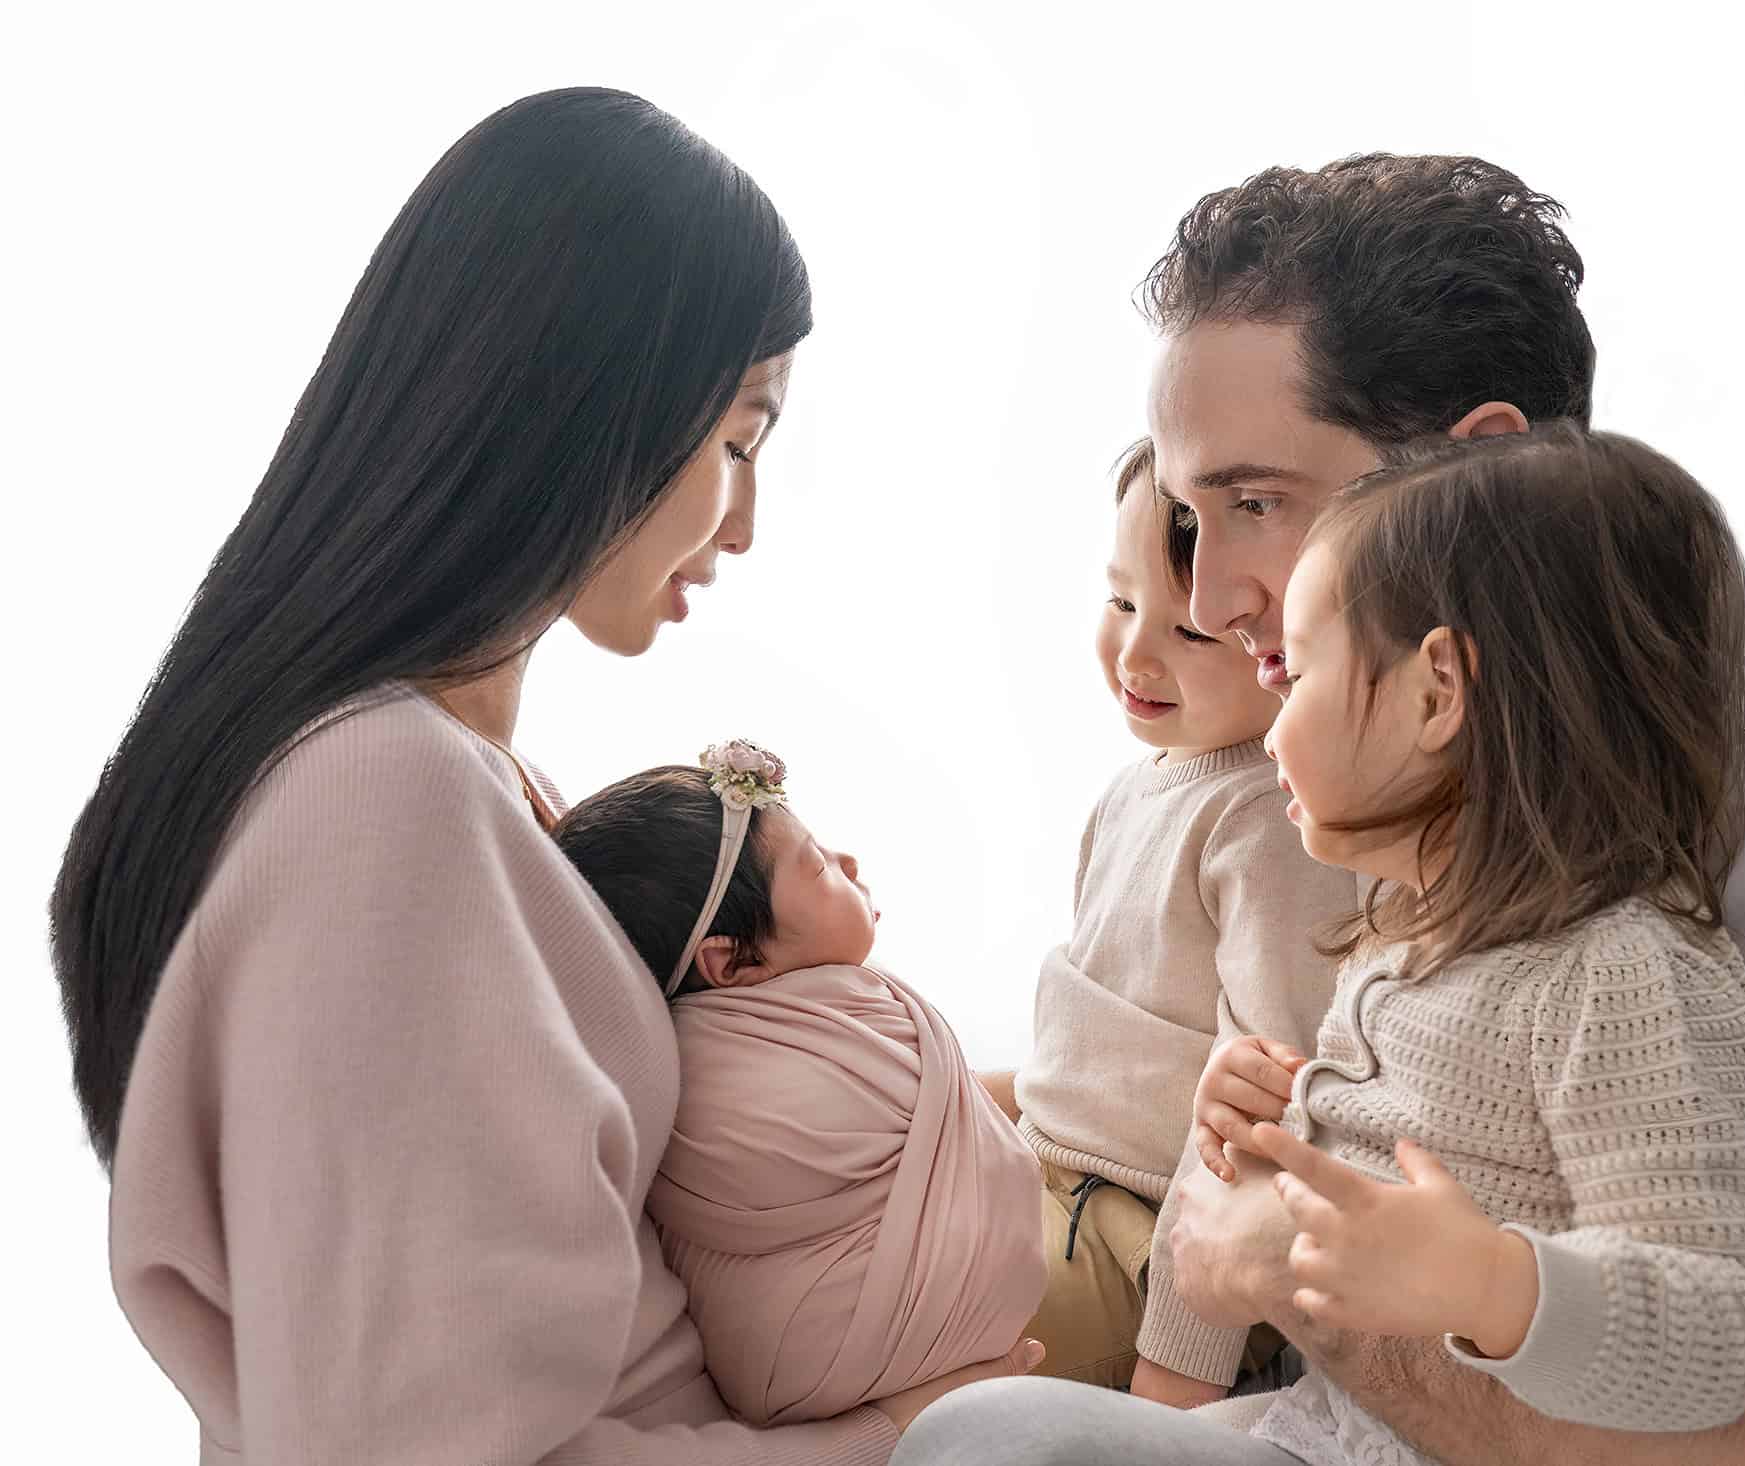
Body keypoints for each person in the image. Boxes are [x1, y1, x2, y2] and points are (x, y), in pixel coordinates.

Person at [894, 155, 1745, 1466]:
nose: (1209, 599)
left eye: (1257, 504)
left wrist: (1321, 1273)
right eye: (1192, 520)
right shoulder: (1363, 821)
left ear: (1490, 466)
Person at [50, 88, 1031, 1466]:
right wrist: (905, 1432)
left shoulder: (471, 787)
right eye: (739, 438)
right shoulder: (380, 803)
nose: (742, 521)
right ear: (583, 401)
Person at [1199, 423, 1745, 1463]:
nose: (1269, 709)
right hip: (1322, 1423)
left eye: (1295, 675)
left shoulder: (1618, 971)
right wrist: (1264, 1117)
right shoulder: (1403, 937)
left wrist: (1495, 1284)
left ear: (1437, 690)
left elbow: (1727, 1324)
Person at [987, 440, 1351, 1399]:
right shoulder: (1136, 790)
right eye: (1119, 603)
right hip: (1045, 1182)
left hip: (1146, 1242)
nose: (1135, 653)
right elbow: (1084, 1058)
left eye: (1190, 635)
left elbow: (1257, 1119)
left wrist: (1175, 1379)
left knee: (921, 1346)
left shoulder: (1273, 824)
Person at [550, 743, 1045, 1427]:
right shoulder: (861, 1025)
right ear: (731, 961)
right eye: (814, 864)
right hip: (911, 1352)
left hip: (777, 1370)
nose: (848, 863)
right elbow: (974, 1139)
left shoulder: (662, 1059)